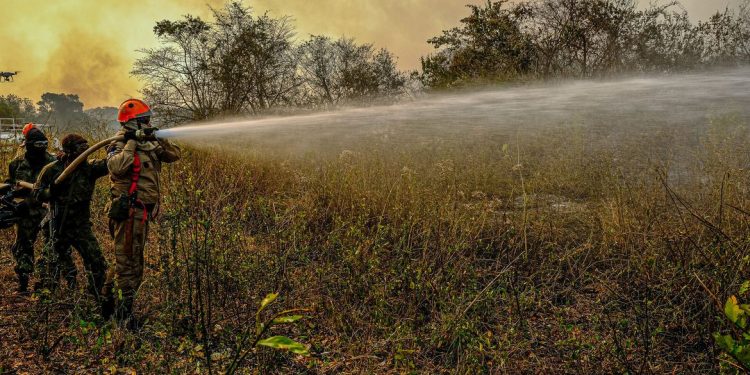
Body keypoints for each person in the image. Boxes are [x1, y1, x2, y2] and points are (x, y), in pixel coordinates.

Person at [103, 98, 180, 325]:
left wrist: (157, 139)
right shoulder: (117, 145)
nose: (148, 123)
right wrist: (131, 143)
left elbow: (174, 155)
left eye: (148, 120)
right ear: (131, 124)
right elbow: (116, 167)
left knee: (127, 260)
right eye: (144, 121)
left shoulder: (150, 143)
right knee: (129, 265)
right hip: (129, 213)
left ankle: (106, 302)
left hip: (142, 213)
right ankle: (123, 317)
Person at [34, 134, 109, 309]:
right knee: (50, 262)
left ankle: (99, 297)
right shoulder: (52, 169)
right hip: (58, 224)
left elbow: (110, 165)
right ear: (68, 150)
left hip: (81, 226)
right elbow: (37, 194)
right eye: (80, 147)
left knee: (96, 260)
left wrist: (118, 147)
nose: (86, 150)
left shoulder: (89, 168)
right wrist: (52, 189)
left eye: (86, 146)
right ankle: (45, 301)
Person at [4, 125, 56, 293]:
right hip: (25, 213)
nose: (40, 149)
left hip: (48, 212)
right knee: (23, 247)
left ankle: (46, 283)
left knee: (51, 246)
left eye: (43, 144)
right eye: (37, 145)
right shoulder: (16, 164)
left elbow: (57, 190)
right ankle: (23, 283)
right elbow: (12, 185)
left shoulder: (54, 163)